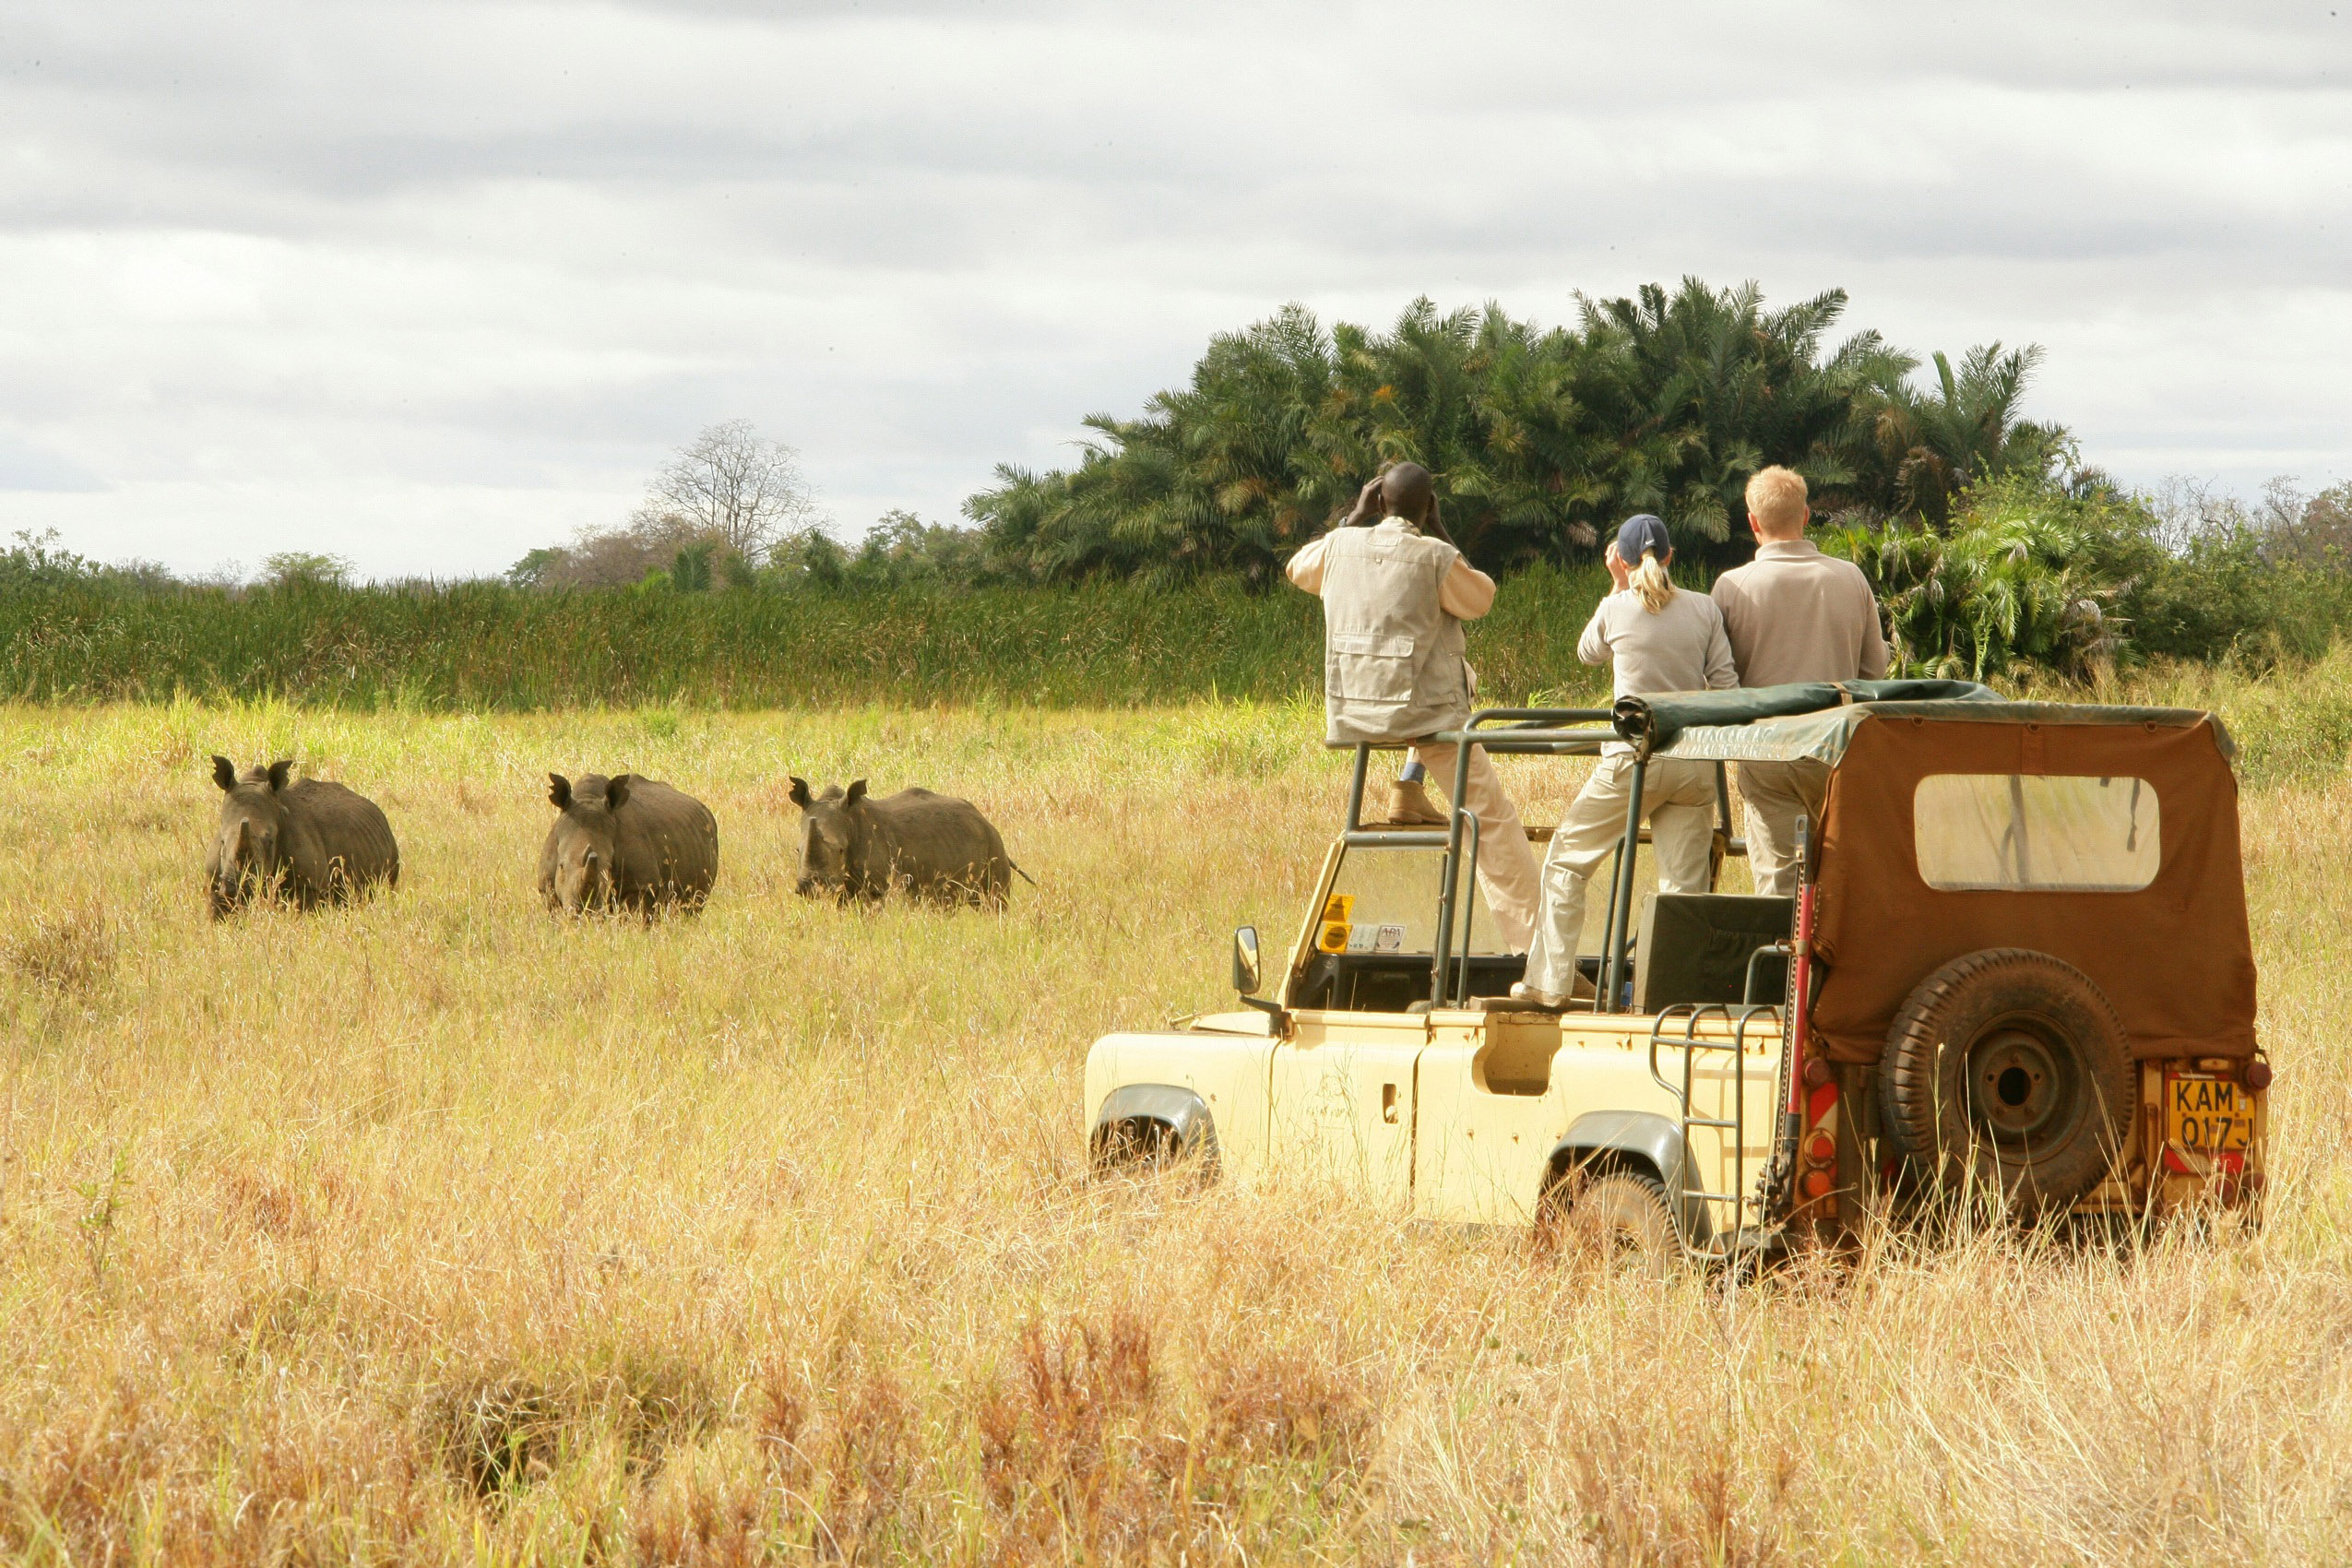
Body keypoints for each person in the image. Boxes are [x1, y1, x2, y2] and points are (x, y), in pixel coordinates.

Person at [1286, 462, 1540, 952]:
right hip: (1425, 720)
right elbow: (1480, 600)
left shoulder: (1339, 547)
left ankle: (1410, 787)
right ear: (1428, 508)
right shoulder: (1434, 555)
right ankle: (1534, 951)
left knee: (1452, 672)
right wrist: (1443, 535)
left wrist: (1350, 519)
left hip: (1356, 713)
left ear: (1377, 502)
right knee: (1492, 821)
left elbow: (1298, 569)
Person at [1509, 515, 1738, 1008]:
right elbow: (1726, 686)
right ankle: (1676, 997)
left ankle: (1549, 983)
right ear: (1672, 556)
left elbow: (1587, 652)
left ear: (1624, 560)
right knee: (1685, 887)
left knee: (1568, 862)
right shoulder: (1704, 609)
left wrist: (1616, 587)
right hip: (1694, 763)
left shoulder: (1616, 609)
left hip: (1633, 760)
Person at [1709, 466, 1889, 897]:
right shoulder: (1851, 578)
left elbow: (1717, 680)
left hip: (1768, 752)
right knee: (1843, 888)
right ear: (1806, 515)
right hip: (1840, 750)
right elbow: (1875, 672)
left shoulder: (1731, 587)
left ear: (1753, 522)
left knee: (1780, 888)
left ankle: (1783, 966)